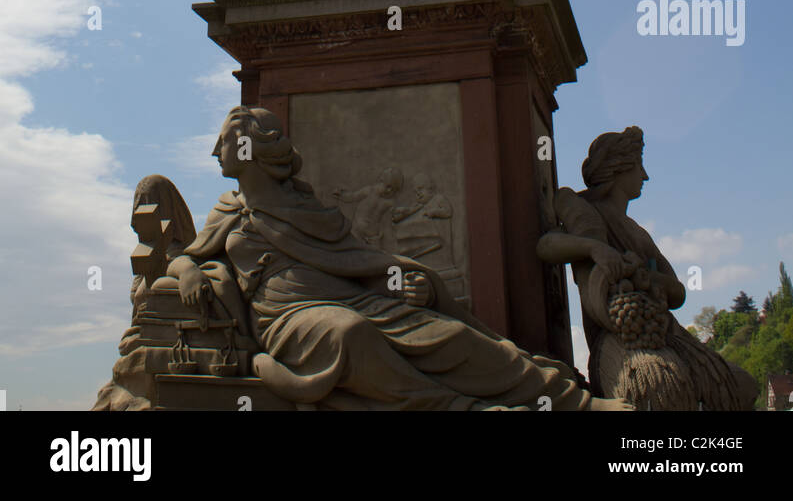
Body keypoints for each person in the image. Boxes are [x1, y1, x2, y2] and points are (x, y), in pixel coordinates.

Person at [168, 106, 631, 411]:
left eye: (224, 142)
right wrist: (187, 268)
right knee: (348, 335)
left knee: (449, 335)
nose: (215, 151)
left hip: (351, 298)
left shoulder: (307, 210)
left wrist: (411, 285)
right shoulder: (230, 210)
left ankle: (578, 404)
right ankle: (459, 408)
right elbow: (183, 258)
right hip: (287, 318)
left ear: (252, 148)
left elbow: (357, 260)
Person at [536, 126, 757, 410]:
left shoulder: (638, 233)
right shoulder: (582, 211)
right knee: (661, 387)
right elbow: (546, 246)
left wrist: (645, 275)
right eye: (639, 166)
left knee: (739, 385)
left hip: (663, 332)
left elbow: (677, 292)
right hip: (620, 337)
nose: (645, 175)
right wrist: (594, 248)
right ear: (619, 167)